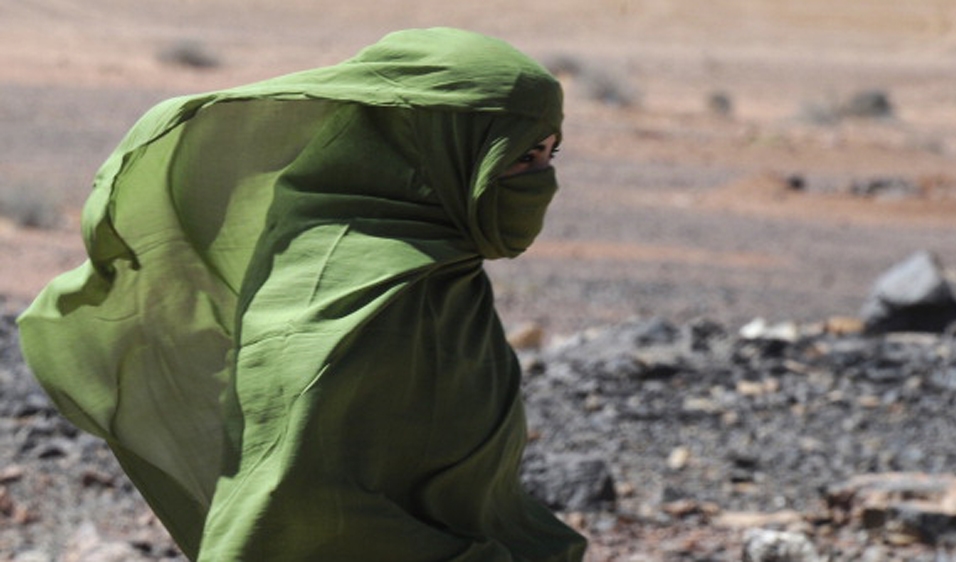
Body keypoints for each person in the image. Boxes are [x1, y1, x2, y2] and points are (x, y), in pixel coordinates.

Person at [17, 27, 587, 561]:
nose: (542, 181)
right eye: (520, 159)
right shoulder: (350, 294)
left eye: (547, 155)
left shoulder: (442, 272)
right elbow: (297, 506)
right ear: (438, 149)